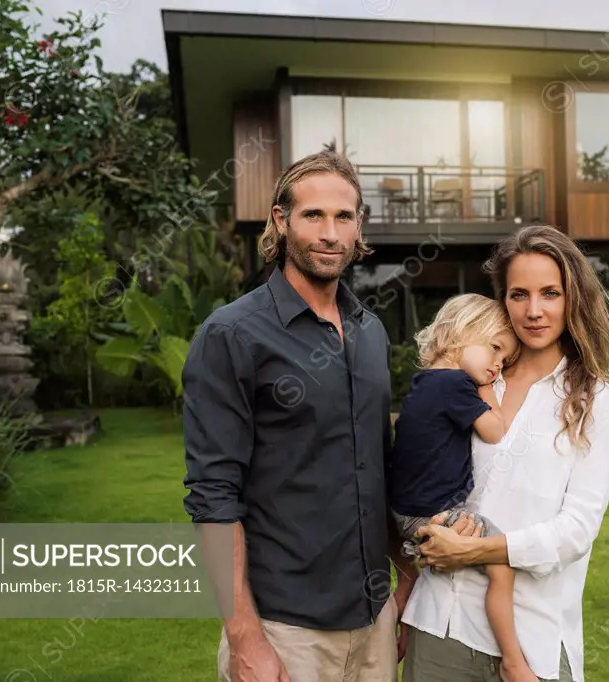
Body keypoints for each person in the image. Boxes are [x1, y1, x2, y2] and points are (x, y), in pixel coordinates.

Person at [181, 150, 416, 682]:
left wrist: (405, 578)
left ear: (360, 227)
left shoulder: (369, 332)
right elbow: (213, 496)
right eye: (313, 216)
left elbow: (381, 469)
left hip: (374, 620)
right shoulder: (232, 335)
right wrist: (245, 640)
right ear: (281, 220)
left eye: (344, 217)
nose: (330, 233)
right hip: (284, 632)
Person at [399, 224, 609, 682]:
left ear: (573, 298)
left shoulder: (597, 401)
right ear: (502, 300)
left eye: (550, 293)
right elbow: (414, 473)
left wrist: (476, 550)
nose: (535, 310)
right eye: (519, 294)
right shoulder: (473, 381)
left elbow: (576, 530)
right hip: (440, 623)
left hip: (531, 639)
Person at [387, 293, 538, 681]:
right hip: (432, 512)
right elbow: (494, 430)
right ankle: (512, 658)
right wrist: (489, 391)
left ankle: (400, 620)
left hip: (404, 512)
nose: (496, 366)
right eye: (494, 350)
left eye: (503, 362)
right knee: (501, 563)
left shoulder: (424, 383)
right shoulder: (457, 385)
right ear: (459, 334)